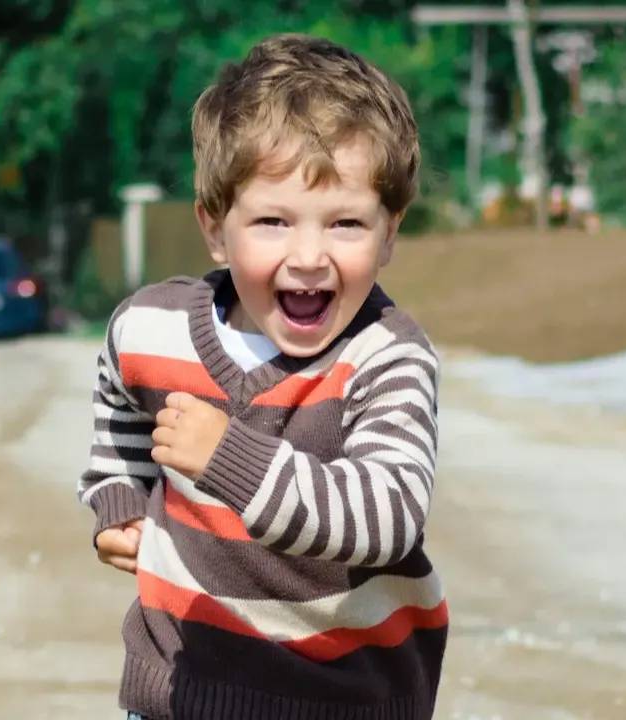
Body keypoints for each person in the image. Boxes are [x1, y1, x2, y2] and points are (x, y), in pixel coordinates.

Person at [79, 33, 446, 720]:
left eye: (345, 224)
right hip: (178, 691)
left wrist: (228, 457)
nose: (309, 256)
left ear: (390, 232)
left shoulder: (386, 357)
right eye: (273, 222)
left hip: (339, 700)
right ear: (216, 229)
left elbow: (387, 515)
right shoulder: (149, 327)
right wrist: (120, 500)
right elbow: (118, 401)